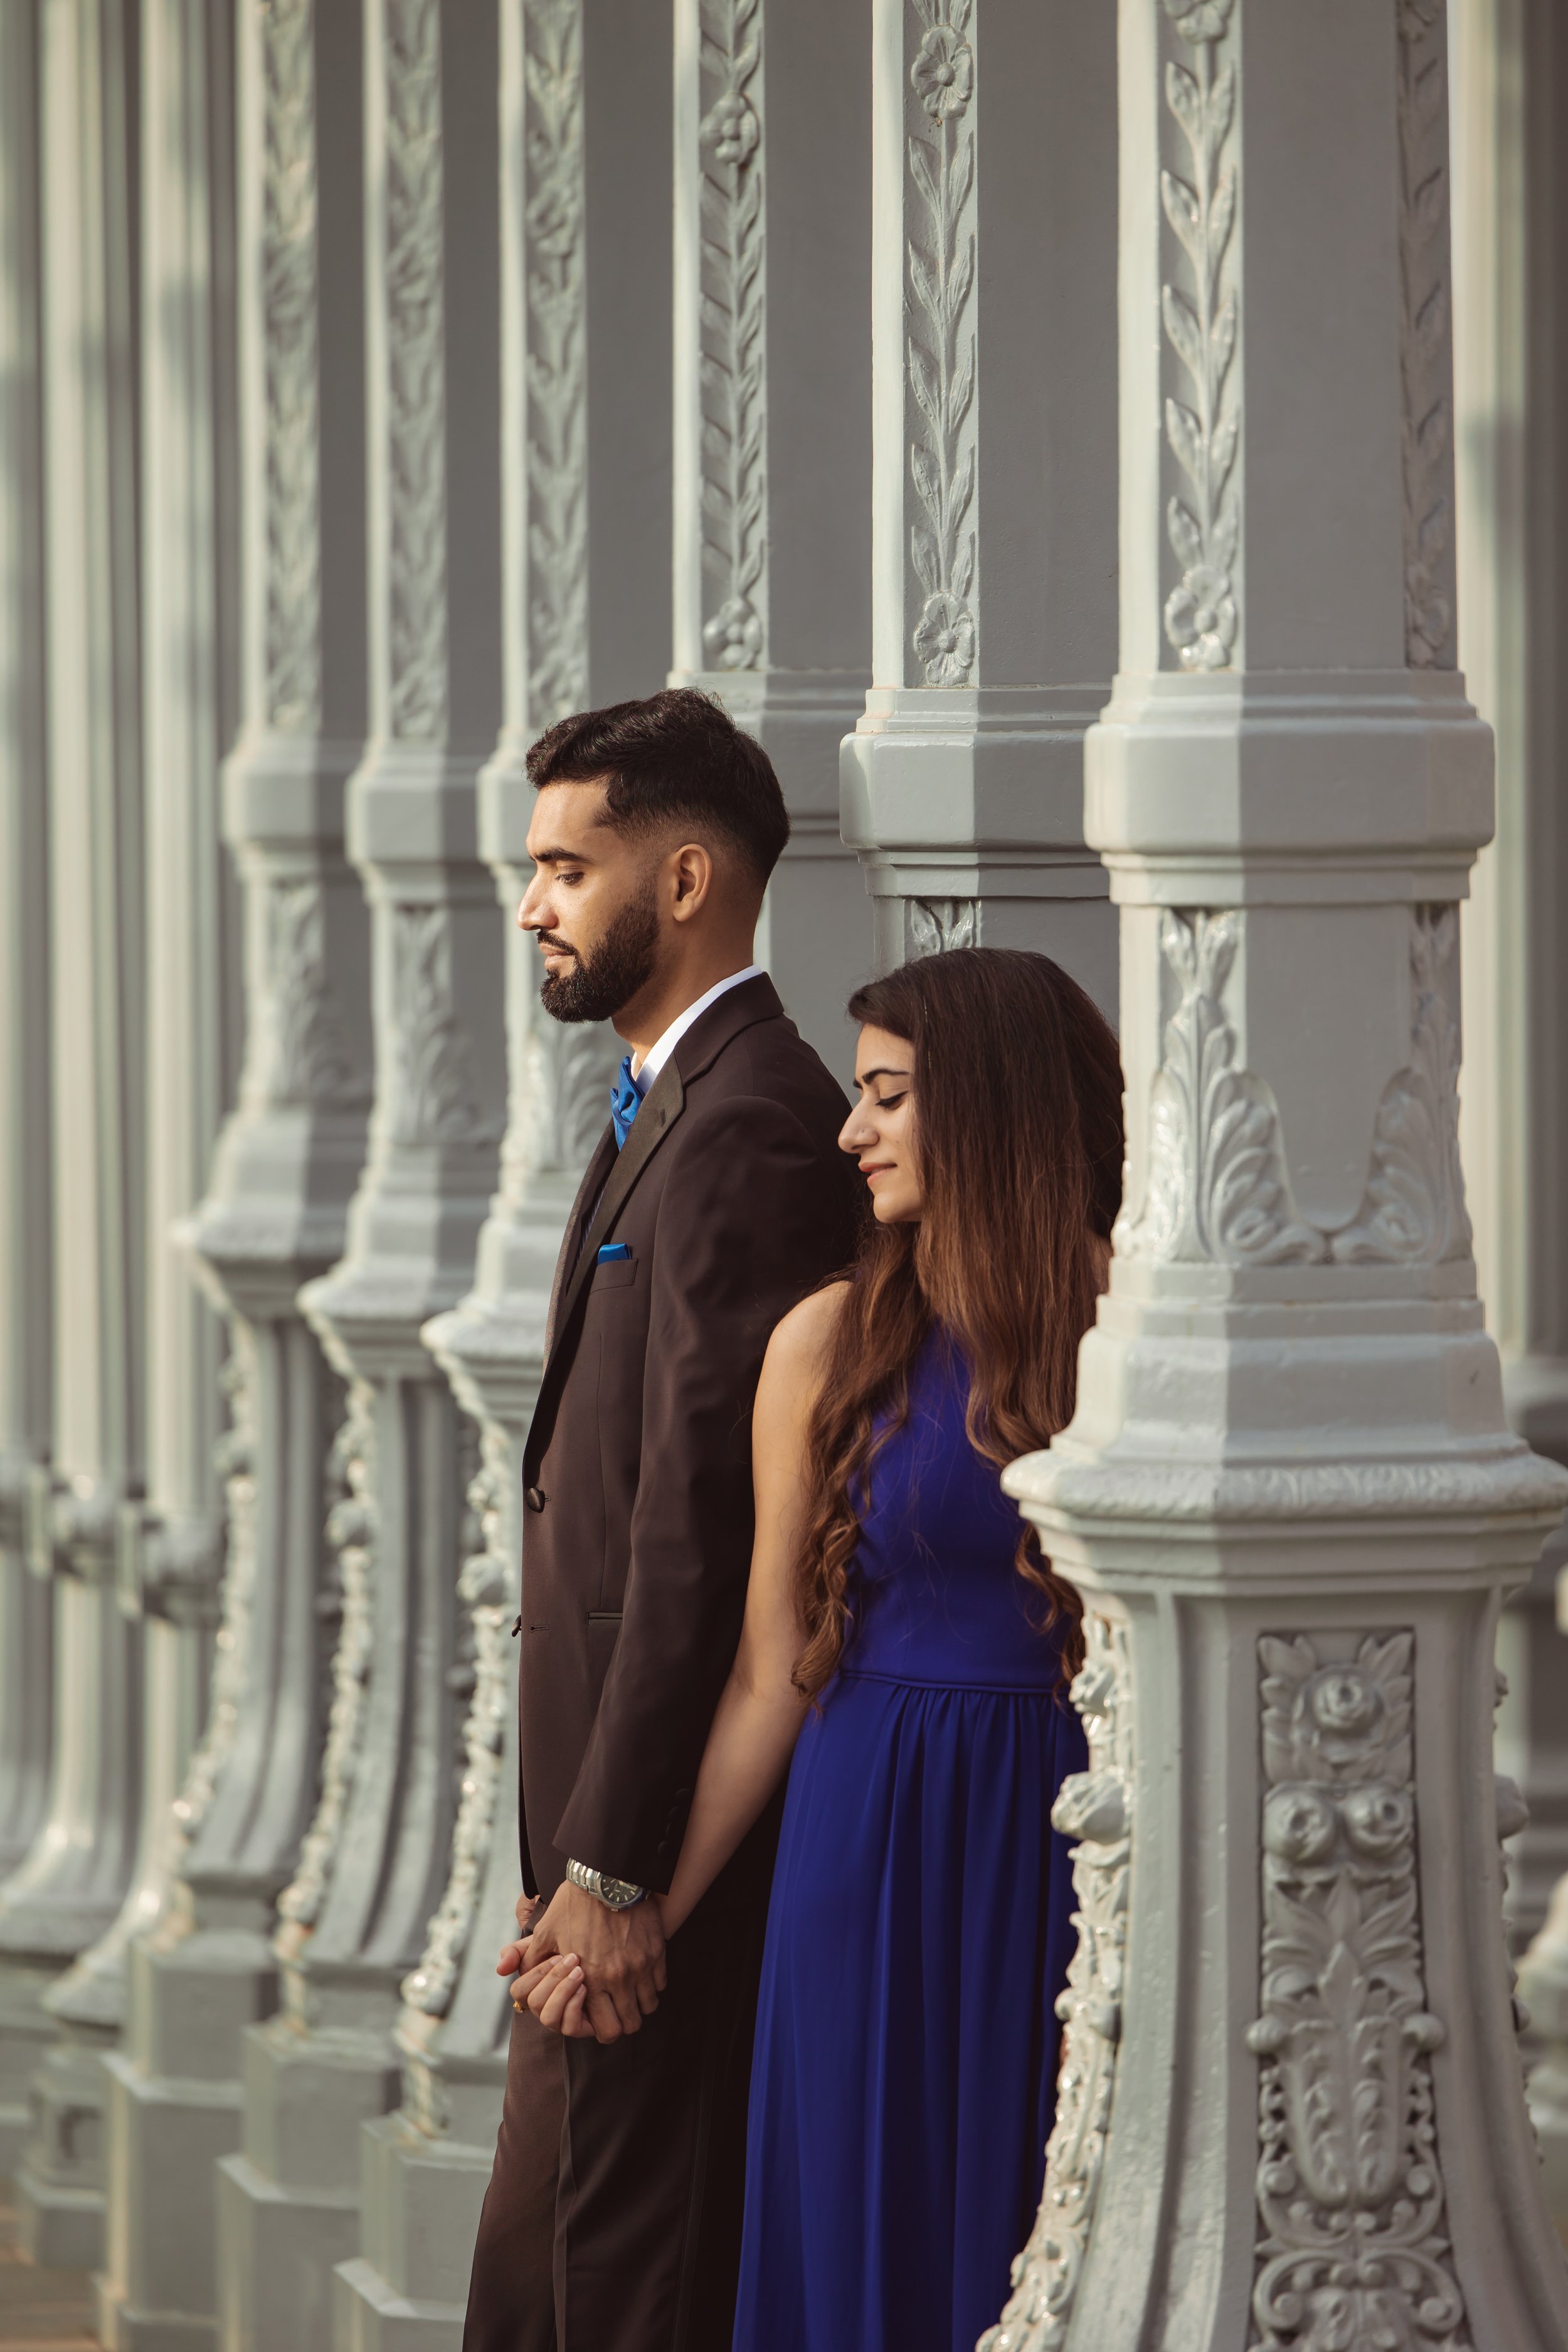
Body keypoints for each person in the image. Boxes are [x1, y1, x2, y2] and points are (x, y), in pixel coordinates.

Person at [521, 945, 1124, 2352]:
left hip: (1061, 1833)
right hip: (856, 1837)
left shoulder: (1131, 1321)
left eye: (887, 1097)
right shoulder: (823, 1342)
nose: (849, 1130)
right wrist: (639, 1909)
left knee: (1041, 2207)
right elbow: (768, 1666)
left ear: (987, 1108)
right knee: (853, 2212)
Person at [462, 689, 863, 2352]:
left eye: (568, 863)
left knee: (612, 2277)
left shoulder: (752, 1122)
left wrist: (618, 1867)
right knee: (549, 2266)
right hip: (593, 1845)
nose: (534, 901)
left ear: (684, 878)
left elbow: (696, 1535)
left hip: (658, 1855)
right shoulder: (660, 1100)